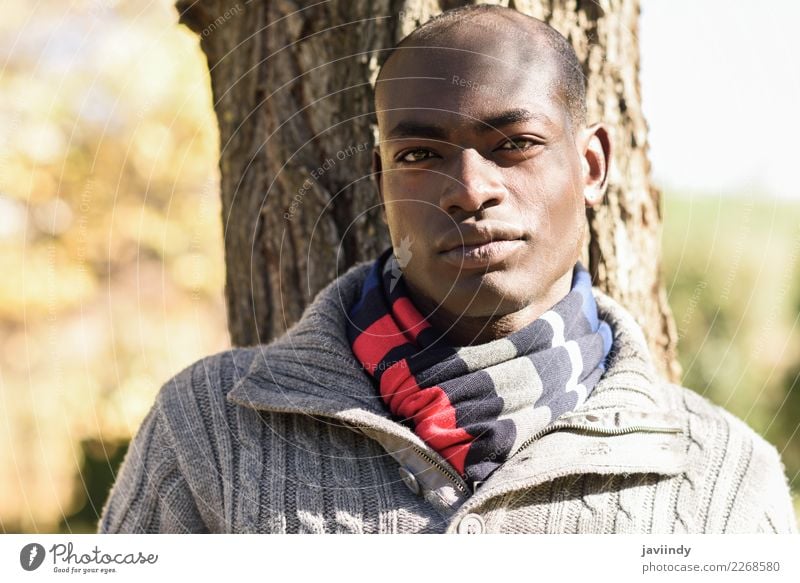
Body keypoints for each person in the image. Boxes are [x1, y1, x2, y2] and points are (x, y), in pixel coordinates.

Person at [98, 5, 797, 534]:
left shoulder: (724, 479)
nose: (469, 188)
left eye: (515, 144)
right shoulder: (209, 432)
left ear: (591, 165)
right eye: (420, 155)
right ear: (382, 182)